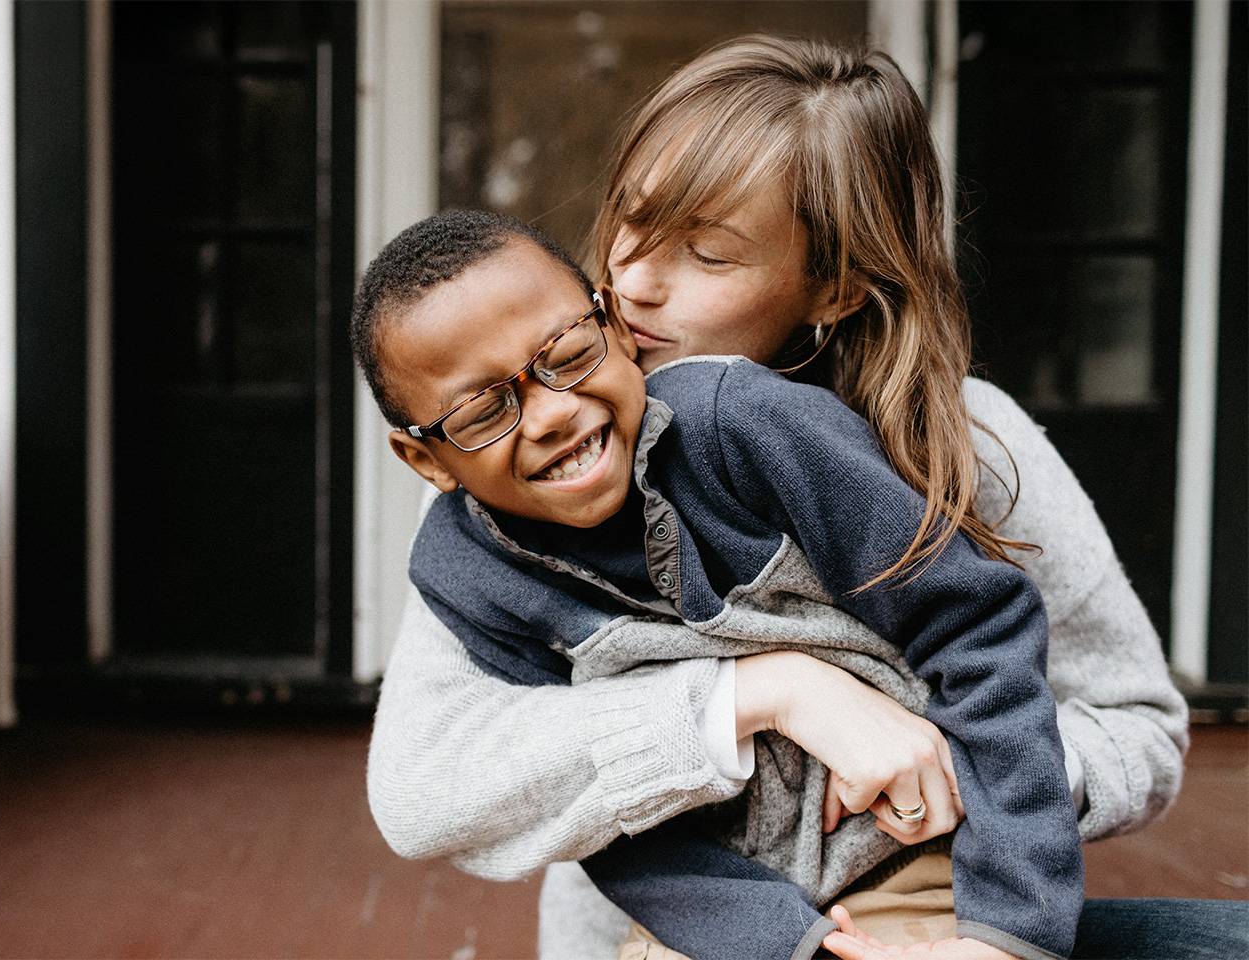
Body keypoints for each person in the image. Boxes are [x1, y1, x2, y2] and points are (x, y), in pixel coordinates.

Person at [364, 36, 1224, 959]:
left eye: (708, 254)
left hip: (938, 904)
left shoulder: (970, 442)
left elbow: (1137, 727)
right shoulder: (510, 478)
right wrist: (761, 696)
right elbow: (424, 785)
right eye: (633, 221)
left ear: (835, 290)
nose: (635, 281)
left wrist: (947, 775)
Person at [353, 207, 1085, 960]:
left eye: (567, 354)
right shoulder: (469, 574)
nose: (552, 413)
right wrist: (781, 943)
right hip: (723, 922)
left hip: (913, 857)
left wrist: (1011, 926)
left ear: (613, 323)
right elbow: (604, 812)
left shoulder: (746, 426)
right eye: (484, 412)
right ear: (427, 461)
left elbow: (977, 625)